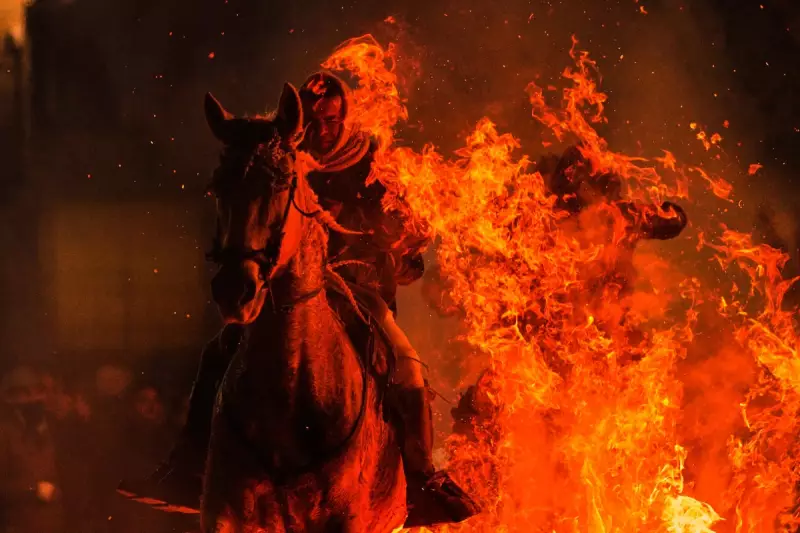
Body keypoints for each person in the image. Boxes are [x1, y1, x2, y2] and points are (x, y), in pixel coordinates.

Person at [119, 72, 478, 526]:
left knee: (405, 363)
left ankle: (423, 478)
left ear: (342, 115)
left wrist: (384, 238)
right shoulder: (285, 157)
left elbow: (393, 227)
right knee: (218, 353)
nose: (322, 128)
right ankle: (188, 466)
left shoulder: (370, 160)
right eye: (314, 119)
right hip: (285, 287)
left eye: (329, 119)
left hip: (357, 286)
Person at [0, 366, 63, 533]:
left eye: (38, 391)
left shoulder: (54, 426)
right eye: (26, 393)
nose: (34, 398)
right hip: (20, 525)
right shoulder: (5, 432)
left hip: (55, 523)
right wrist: (33, 490)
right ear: (12, 398)